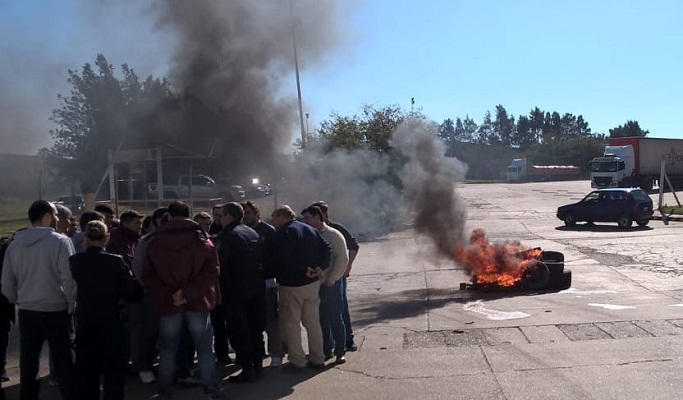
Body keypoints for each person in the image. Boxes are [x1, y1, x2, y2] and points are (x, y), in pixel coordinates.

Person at [141, 201, 222, 400]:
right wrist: (187, 292)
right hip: (198, 301)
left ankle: (165, 392)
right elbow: (212, 271)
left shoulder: (154, 240)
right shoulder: (202, 239)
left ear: (169, 215)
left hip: (169, 304)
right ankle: (211, 392)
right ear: (188, 214)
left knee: (168, 350)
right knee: (204, 348)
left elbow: (148, 275)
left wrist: (172, 294)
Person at [1, 200, 76, 400]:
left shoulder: (15, 245)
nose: (58, 218)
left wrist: (18, 299)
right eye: (56, 214)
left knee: (29, 364)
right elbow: (68, 277)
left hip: (27, 311)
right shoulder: (61, 241)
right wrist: (71, 302)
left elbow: (6, 282)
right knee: (64, 362)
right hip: (56, 310)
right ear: (47, 216)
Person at [69, 220, 143, 400]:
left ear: (85, 239)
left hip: (86, 320)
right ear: (107, 238)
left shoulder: (74, 261)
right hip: (112, 320)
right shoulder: (115, 262)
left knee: (87, 370)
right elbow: (132, 291)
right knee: (114, 371)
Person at [270, 205, 332, 369]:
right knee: (312, 322)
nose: (272, 220)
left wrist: (303, 270)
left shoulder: (283, 234)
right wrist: (320, 267)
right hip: (312, 284)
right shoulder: (309, 229)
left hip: (291, 285)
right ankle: (318, 357)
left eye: (274, 217)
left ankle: (298, 361)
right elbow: (327, 249)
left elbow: (284, 259)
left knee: (291, 323)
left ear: (281, 216)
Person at [217, 202, 265, 382]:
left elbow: (221, 264)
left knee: (239, 330)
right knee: (255, 330)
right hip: (256, 287)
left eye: (222, 215)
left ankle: (247, 369)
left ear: (229, 215)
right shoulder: (251, 231)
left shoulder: (228, 236)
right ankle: (258, 367)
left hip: (236, 289)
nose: (220, 218)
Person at [301, 205, 349, 364]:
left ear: (317, 217)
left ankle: (340, 351)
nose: (305, 222)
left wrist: (331, 279)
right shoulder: (308, 235)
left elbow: (342, 259)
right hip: (315, 285)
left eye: (307, 218)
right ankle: (325, 350)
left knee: (335, 317)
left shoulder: (333, 235)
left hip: (331, 285)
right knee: (320, 320)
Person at [312, 201, 361, 351]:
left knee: (340, 310)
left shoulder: (336, 229)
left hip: (337, 275)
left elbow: (353, 246)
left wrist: (348, 267)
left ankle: (348, 340)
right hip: (321, 278)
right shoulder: (312, 230)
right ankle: (329, 345)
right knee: (323, 313)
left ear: (325, 214)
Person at [241, 200, 282, 367]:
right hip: (248, 283)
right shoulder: (242, 231)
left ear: (256, 214)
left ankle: (276, 354)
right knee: (252, 320)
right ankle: (257, 352)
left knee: (271, 319)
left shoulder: (268, 231)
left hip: (267, 282)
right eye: (243, 214)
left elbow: (276, 256)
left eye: (248, 213)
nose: (246, 217)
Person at [131, 207, 168, 385]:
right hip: (153, 293)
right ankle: (145, 367)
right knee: (151, 331)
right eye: (163, 220)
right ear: (154, 223)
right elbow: (137, 267)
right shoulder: (146, 241)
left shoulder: (175, 239)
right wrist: (148, 287)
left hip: (173, 293)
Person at [106, 210, 143, 375]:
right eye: (136, 223)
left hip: (125, 292)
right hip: (126, 294)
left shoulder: (130, 238)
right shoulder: (121, 241)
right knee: (130, 332)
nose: (139, 226)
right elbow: (128, 265)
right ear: (125, 223)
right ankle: (128, 365)